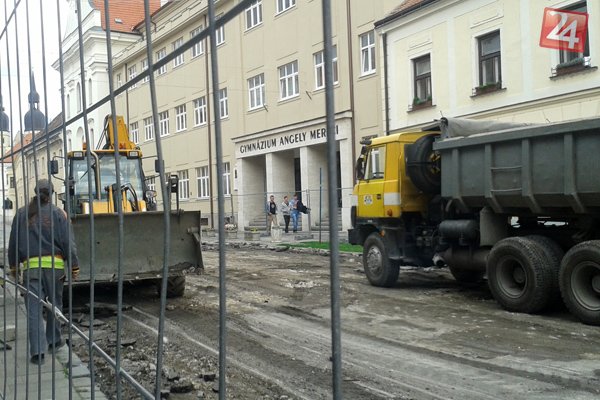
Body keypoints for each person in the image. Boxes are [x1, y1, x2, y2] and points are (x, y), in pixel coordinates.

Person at [8, 179, 79, 365]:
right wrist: (74, 266)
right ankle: (54, 341)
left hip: (31, 269)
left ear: (35, 192)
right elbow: (68, 243)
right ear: (52, 194)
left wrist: (14, 267)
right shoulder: (59, 214)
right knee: (55, 305)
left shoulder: (21, 214)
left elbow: (13, 243)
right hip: (55, 269)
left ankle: (37, 352)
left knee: (33, 310)